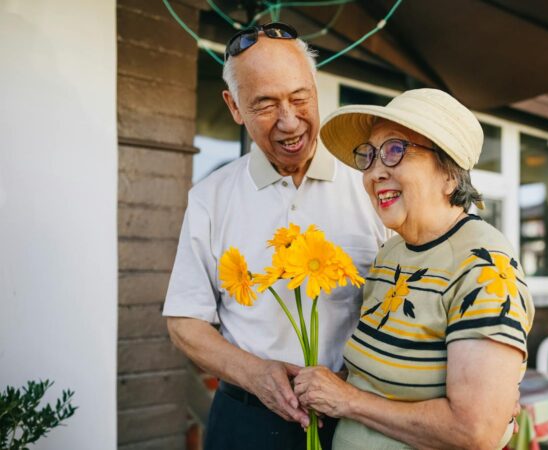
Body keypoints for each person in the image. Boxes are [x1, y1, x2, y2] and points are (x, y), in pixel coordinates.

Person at [162, 22, 387, 449]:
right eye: (264, 104)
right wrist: (255, 373)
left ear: (315, 88)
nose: (289, 122)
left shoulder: (370, 182)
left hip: (358, 420)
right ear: (233, 106)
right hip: (247, 419)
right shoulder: (210, 197)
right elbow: (184, 322)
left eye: (300, 97)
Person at [293, 89, 535, 449]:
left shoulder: (484, 267)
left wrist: (347, 400)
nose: (375, 172)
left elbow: (474, 430)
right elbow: (381, 378)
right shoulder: (390, 254)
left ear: (449, 175)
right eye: (369, 155)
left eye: (395, 150)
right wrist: (328, 384)